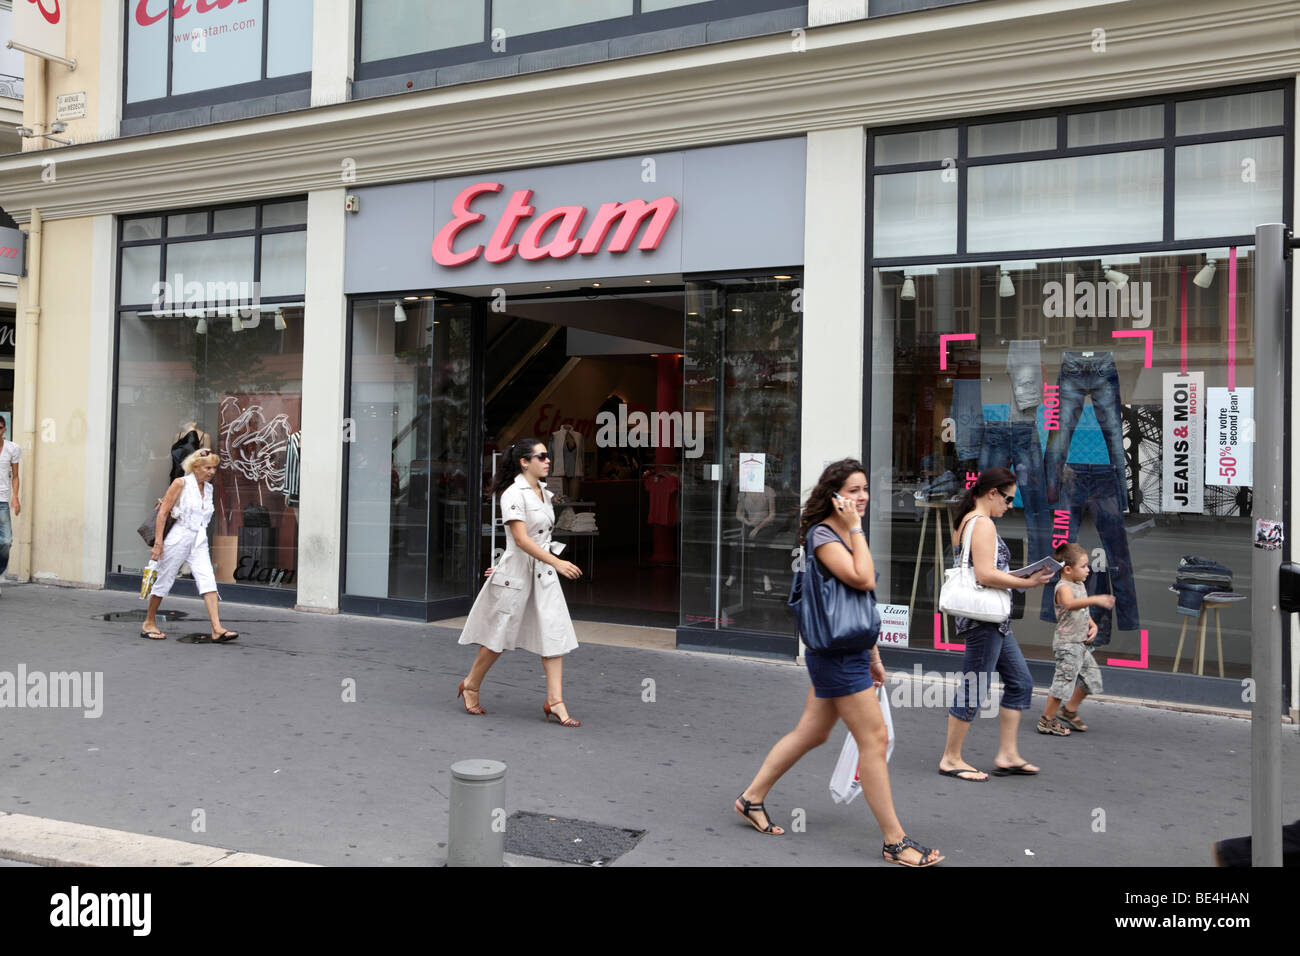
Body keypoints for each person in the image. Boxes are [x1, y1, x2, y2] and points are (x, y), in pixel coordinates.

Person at [735, 459, 944, 867]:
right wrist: (857, 529)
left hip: (846, 652)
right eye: (853, 490)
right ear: (834, 495)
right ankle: (894, 842)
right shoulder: (824, 535)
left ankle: (750, 798)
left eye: (865, 488)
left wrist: (874, 655)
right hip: (835, 657)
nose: (862, 496)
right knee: (875, 739)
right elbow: (864, 580)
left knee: (812, 733)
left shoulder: (842, 532)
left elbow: (856, 604)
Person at [938, 467, 1056, 781]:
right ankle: (951, 758)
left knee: (1020, 682)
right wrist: (1028, 582)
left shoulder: (966, 520)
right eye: (1007, 498)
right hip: (984, 619)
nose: (1010, 505)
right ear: (992, 493)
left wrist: (1021, 578)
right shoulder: (983, 523)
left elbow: (983, 570)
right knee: (975, 685)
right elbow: (985, 575)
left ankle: (1007, 754)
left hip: (994, 620)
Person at [457, 438, 583, 726]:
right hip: (517, 574)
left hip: (543, 575)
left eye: (548, 456)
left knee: (553, 634)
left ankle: (555, 701)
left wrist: (552, 560)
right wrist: (557, 562)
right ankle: (471, 685)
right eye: (541, 456)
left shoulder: (545, 494)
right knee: (498, 636)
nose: (548, 460)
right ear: (524, 462)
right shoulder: (513, 494)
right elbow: (521, 540)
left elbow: (539, 538)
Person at [141, 448, 238, 642]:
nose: (212, 472)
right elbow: (163, 513)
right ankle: (149, 622)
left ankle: (217, 628)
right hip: (179, 536)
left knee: (207, 579)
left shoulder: (209, 489)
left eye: (214, 468)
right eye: (208, 467)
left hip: (199, 538)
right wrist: (158, 544)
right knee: (164, 579)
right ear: (196, 467)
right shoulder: (181, 483)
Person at [1038, 542, 1114, 735]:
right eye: (1084, 566)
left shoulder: (1078, 584)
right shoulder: (1063, 587)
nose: (1088, 570)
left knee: (1092, 679)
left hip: (1080, 644)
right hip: (1067, 645)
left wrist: (1092, 623)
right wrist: (1096, 599)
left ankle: (1069, 711)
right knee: (1063, 683)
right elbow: (1070, 604)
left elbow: (1081, 608)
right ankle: (1046, 720)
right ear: (1068, 569)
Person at [0, 417, 20, 597]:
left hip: (2, 502)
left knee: (6, 541)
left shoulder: (12, 449)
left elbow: (15, 476)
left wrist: (15, 497)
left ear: (4, 429)